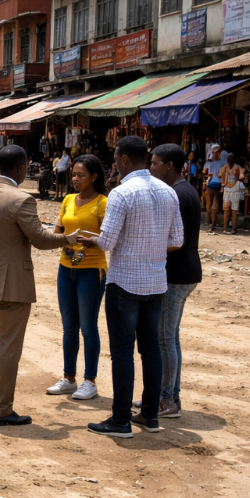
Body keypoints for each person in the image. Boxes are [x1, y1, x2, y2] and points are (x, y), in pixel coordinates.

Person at [0, 145, 79, 426]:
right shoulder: (22, 200)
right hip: (11, 283)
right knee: (9, 347)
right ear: (19, 168)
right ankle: (2, 409)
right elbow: (40, 240)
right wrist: (68, 239)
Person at [80, 136, 183, 437]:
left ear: (124, 159)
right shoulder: (168, 192)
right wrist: (151, 246)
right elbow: (177, 240)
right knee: (150, 349)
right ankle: (150, 415)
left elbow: (108, 241)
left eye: (115, 158)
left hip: (125, 282)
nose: (114, 163)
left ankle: (121, 419)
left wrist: (90, 240)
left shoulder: (121, 193)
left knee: (123, 351)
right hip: (155, 282)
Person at [47, 154, 109, 401]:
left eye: (80, 175)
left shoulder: (103, 202)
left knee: (88, 327)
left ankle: (90, 381)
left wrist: (87, 242)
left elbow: (106, 240)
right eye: (73, 174)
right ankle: (69, 378)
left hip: (92, 271)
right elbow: (58, 231)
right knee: (69, 326)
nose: (75, 179)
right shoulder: (68, 199)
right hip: (66, 269)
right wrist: (63, 239)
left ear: (94, 177)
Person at [149, 144, 201, 418]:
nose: (151, 168)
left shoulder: (177, 194)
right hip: (183, 272)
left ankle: (168, 399)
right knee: (169, 338)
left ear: (169, 166)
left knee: (165, 339)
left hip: (177, 274)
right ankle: (166, 395)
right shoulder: (184, 190)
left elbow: (173, 241)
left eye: (155, 163)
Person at [220, 155, 246, 234]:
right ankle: (225, 228)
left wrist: (241, 174)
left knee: (234, 210)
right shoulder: (224, 168)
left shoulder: (237, 167)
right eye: (229, 160)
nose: (230, 162)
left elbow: (242, 172)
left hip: (234, 188)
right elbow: (221, 176)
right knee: (226, 210)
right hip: (227, 189)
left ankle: (233, 228)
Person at [203, 145, 224, 234]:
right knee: (215, 204)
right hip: (218, 184)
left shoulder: (208, 162)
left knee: (209, 204)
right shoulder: (222, 163)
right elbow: (222, 174)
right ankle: (213, 223)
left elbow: (204, 172)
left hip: (210, 184)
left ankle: (208, 222)